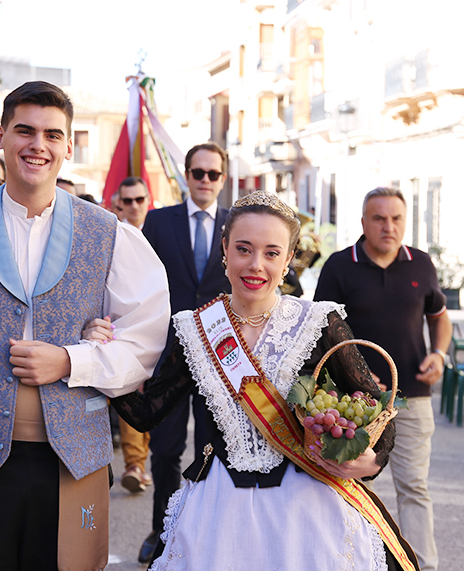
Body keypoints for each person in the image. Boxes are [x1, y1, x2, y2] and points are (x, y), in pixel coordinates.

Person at [0, 81, 171, 570]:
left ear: (67, 147)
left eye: (52, 134)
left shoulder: (109, 233)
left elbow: (146, 340)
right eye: (25, 130)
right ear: (0, 136)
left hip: (75, 466)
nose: (38, 145)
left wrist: (72, 360)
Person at [84, 190, 417, 570]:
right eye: (244, 249)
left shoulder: (319, 323)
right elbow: (146, 414)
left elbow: (379, 407)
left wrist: (372, 461)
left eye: (272, 253)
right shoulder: (196, 329)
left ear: (288, 259)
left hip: (309, 513)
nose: (256, 265)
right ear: (224, 250)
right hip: (219, 512)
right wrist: (102, 355)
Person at [315, 186, 451, 571]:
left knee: (414, 487)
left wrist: (439, 354)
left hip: (414, 396)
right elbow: (320, 333)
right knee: (356, 488)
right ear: (363, 222)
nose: (388, 226)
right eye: (379, 218)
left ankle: (421, 566)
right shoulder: (339, 267)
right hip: (355, 404)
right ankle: (359, 564)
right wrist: (350, 371)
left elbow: (439, 317)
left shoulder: (421, 264)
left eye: (396, 219)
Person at [137, 141, 231, 563]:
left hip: (221, 357)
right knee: (165, 451)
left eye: (213, 174)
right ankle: (163, 530)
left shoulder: (237, 223)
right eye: (198, 173)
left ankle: (203, 531)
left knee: (212, 449)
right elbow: (141, 286)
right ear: (186, 176)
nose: (205, 180)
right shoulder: (159, 222)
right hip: (169, 356)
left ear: (222, 179)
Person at [114, 176, 154, 493]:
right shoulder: (113, 234)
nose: (134, 206)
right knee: (131, 394)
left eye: (139, 199)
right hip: (124, 331)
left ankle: (145, 464)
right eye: (127, 201)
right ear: (119, 204)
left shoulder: (162, 232)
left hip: (163, 329)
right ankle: (135, 465)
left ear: (147, 200)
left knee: (158, 401)